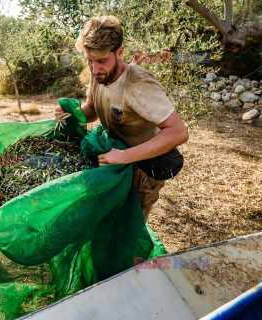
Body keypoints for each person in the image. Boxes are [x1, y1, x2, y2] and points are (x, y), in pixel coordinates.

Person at [55, 16, 188, 220]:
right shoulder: (99, 72)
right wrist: (73, 114)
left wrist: (124, 156)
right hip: (114, 162)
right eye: (89, 60)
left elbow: (178, 132)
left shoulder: (138, 85)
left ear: (120, 52)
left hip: (143, 169)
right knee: (107, 225)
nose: (94, 69)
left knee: (128, 233)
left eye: (101, 61)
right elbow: (92, 108)